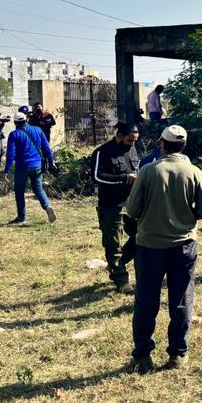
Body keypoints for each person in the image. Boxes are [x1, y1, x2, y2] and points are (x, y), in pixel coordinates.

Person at [125, 124, 202, 374]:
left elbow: (132, 210)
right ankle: (177, 355)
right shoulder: (194, 172)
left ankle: (142, 356)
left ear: (161, 144)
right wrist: (186, 218)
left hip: (150, 245)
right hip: (184, 245)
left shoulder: (148, 171)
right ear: (183, 146)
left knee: (146, 301)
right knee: (182, 299)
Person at [92, 121, 141, 293]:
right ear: (119, 136)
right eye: (129, 140)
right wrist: (125, 178)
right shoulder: (102, 152)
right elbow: (97, 177)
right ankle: (122, 281)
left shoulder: (133, 149)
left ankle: (116, 266)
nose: (132, 144)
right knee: (114, 244)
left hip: (133, 204)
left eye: (135, 140)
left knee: (141, 236)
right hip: (111, 205)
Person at [3, 111, 56, 224]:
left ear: (15, 123)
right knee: (38, 188)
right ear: (26, 120)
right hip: (37, 165)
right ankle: (47, 207)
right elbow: (47, 148)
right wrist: (51, 162)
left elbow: (11, 154)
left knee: (19, 191)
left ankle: (21, 217)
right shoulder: (38, 129)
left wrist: (6, 170)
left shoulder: (14, 134)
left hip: (22, 166)